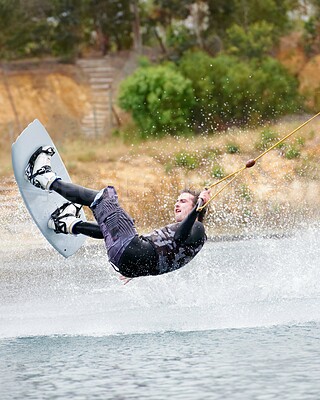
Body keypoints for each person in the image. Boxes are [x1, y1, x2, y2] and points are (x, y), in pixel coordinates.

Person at [25, 146, 211, 278]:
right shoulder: (191, 242)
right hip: (125, 262)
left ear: (197, 207)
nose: (177, 204)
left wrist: (199, 205)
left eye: (184, 201)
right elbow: (164, 263)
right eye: (177, 200)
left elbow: (180, 235)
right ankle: (67, 224)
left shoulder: (197, 228)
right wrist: (134, 270)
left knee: (103, 199)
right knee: (120, 227)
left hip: (130, 252)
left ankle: (43, 177)